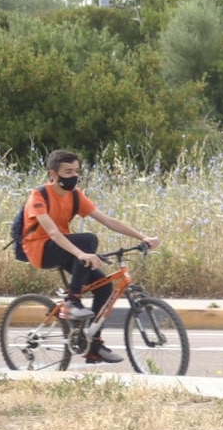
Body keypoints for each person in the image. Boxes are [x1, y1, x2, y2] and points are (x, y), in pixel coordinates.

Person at [20, 149, 160, 364]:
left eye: (76, 171)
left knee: (104, 287)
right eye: (68, 171)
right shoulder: (38, 196)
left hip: (65, 247)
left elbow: (109, 221)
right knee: (88, 240)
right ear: (53, 174)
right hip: (41, 250)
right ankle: (72, 301)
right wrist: (80, 253)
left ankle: (93, 344)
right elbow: (54, 233)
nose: (73, 176)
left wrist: (144, 237)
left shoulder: (75, 195)